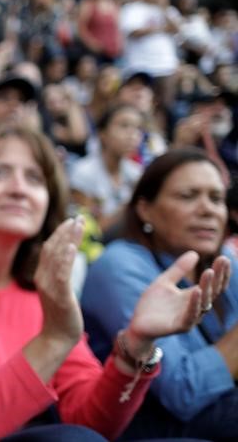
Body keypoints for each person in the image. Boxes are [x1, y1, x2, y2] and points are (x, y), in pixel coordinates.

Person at [0, 122, 224, 441]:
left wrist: (136, 347)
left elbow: (92, 421)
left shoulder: (41, 290)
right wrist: (53, 340)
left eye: (35, 178)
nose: (18, 189)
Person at [82, 147, 238, 440]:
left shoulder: (224, 262)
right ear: (145, 209)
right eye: (188, 196)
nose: (207, 209)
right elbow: (182, 392)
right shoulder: (118, 265)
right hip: (141, 423)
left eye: (216, 198)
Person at [70, 104, 144, 232]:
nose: (133, 134)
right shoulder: (83, 173)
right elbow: (94, 230)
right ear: (102, 134)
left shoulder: (136, 172)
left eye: (138, 128)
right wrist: (134, 200)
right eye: (124, 126)